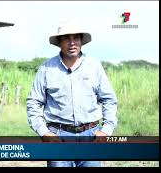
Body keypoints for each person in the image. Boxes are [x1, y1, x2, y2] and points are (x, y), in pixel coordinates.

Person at [26, 21, 118, 167]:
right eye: (66, 38)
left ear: (81, 41)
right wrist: (44, 132)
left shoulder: (94, 66)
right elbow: (34, 103)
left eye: (76, 38)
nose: (72, 43)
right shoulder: (46, 68)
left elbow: (109, 100)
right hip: (58, 136)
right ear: (59, 42)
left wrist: (106, 130)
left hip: (91, 136)